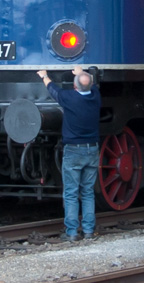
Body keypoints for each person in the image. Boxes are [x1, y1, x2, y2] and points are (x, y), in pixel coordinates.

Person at [37, 65, 101, 242]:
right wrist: (80, 73)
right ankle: (88, 231)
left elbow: (54, 90)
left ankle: (72, 232)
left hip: (73, 150)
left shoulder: (69, 98)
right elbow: (90, 85)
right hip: (92, 149)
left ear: (74, 87)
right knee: (87, 191)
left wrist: (44, 76)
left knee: (71, 192)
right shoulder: (95, 97)